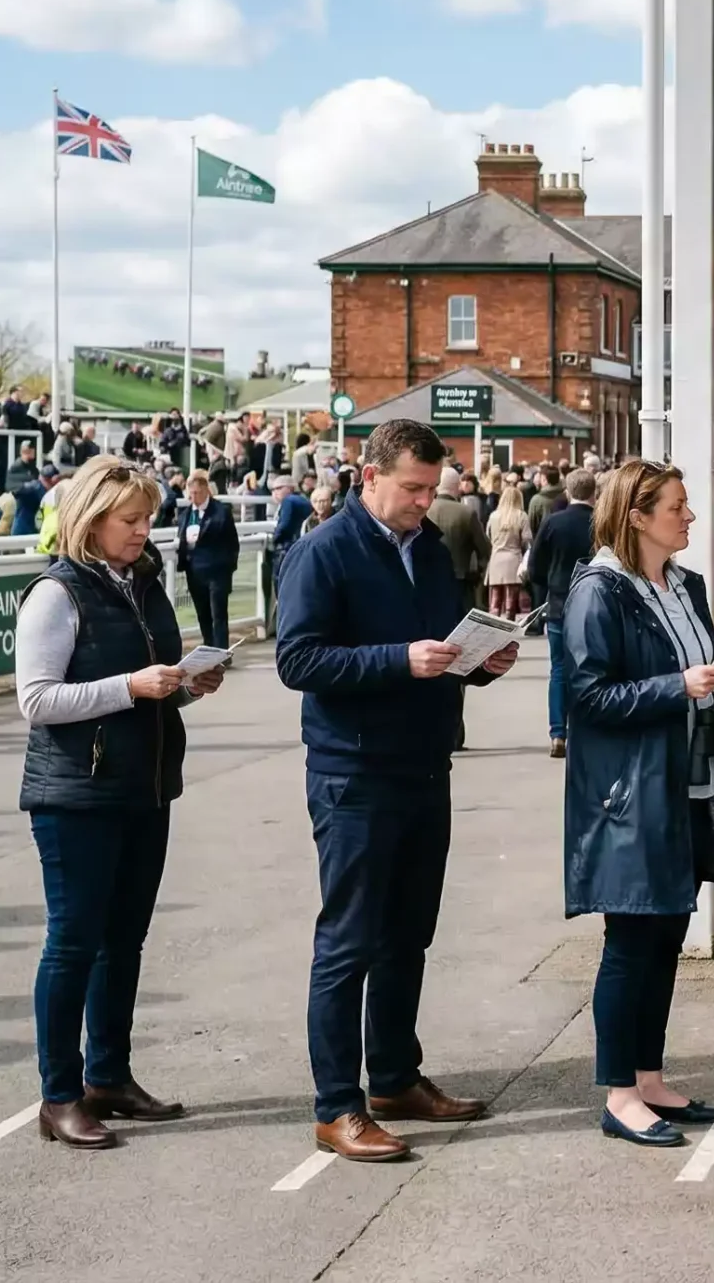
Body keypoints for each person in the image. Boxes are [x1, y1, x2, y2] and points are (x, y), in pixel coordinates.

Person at [274, 419, 521, 1164]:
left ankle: (394, 1077)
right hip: (354, 771)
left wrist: (480, 661)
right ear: (369, 476)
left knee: (409, 932)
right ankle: (336, 1106)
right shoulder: (323, 550)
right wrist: (397, 659)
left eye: (431, 489)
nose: (424, 502)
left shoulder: (429, 548)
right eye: (412, 489)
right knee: (348, 942)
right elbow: (298, 658)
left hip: (423, 763)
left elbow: (439, 642)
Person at [15, 456, 226, 1149]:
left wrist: (189, 681)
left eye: (147, 520)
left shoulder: (143, 582)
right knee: (74, 941)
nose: (143, 532)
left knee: (124, 940)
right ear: (92, 517)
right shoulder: (56, 593)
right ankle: (59, 1092)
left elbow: (148, 676)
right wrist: (129, 686)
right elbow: (37, 700)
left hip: (145, 784)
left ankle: (108, 1073)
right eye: (130, 520)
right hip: (76, 793)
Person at [561, 460, 714, 1147]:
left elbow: (696, 676)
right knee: (632, 938)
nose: (691, 516)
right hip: (628, 792)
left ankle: (648, 1075)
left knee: (669, 931)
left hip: (688, 778)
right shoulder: (599, 591)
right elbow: (588, 697)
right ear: (638, 515)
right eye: (677, 506)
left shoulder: (685, 583)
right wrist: (681, 684)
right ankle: (619, 1092)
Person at [527, 469, 599, 758]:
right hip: (593, 605)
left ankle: (558, 732)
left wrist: (550, 584)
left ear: (568, 492)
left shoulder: (553, 522)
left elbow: (535, 567)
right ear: (594, 492)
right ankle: (586, 730)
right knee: (592, 669)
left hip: (558, 603)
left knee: (559, 669)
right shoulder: (600, 523)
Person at [173, 473, 238, 650]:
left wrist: (228, 569)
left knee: (218, 614)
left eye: (197, 493)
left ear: (206, 491)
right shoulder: (186, 514)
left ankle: (221, 651)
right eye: (191, 493)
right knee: (202, 613)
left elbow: (232, 543)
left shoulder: (221, 512)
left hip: (217, 572)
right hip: (194, 571)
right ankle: (208, 648)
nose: (193, 497)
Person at [427, 467, 491, 613]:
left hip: (428, 580)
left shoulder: (424, 510)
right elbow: (484, 548)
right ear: (457, 486)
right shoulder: (466, 513)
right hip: (460, 580)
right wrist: (478, 571)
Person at [268, 476, 313, 616]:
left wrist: (274, 540)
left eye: (277, 488)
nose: (274, 493)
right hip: (301, 549)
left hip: (287, 549)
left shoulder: (289, 501)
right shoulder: (303, 500)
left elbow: (284, 525)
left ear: (289, 488)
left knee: (282, 589)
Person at [485, 485, 532, 619]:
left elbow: (487, 536)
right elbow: (527, 539)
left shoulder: (493, 516)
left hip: (496, 558)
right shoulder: (521, 516)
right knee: (511, 599)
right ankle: (509, 625)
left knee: (495, 599)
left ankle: (493, 624)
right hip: (513, 558)